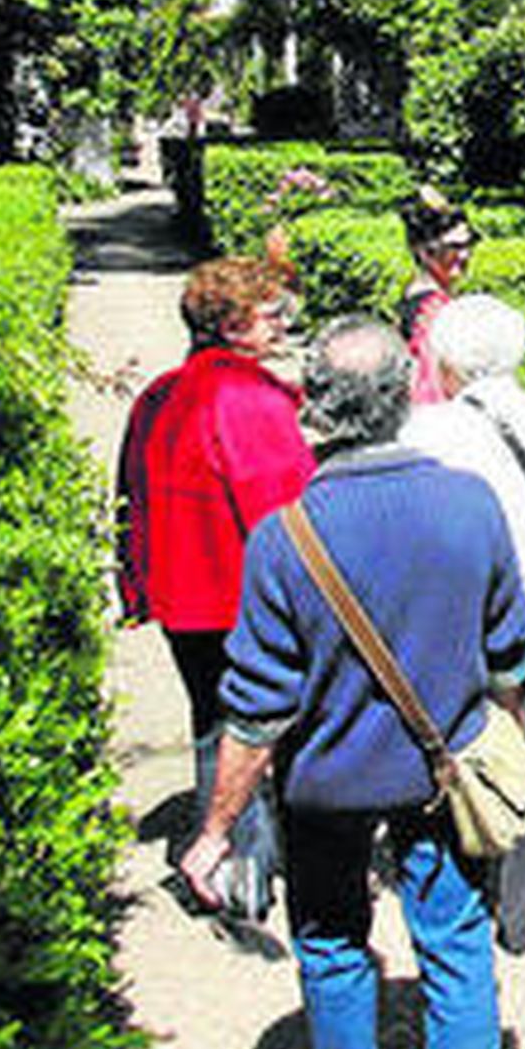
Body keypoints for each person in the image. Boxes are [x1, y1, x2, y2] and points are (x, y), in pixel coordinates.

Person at [180, 316, 525, 1049]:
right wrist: (506, 738)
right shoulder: (470, 503)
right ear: (405, 395)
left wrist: (215, 830)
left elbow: (257, 711)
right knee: (457, 944)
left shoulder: (283, 536)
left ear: (313, 404)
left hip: (325, 786)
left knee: (332, 943)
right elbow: (509, 653)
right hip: (443, 773)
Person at [116, 252, 316, 915]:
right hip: (243, 599)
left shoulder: (159, 394)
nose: (282, 324)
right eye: (270, 314)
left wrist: (135, 588)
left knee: (211, 721)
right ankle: (246, 872)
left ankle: (225, 873)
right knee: (260, 729)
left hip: (180, 599)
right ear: (231, 326)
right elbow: (283, 515)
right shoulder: (251, 401)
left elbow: (130, 497)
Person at [400, 294, 525, 956]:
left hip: (462, 614)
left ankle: (471, 870)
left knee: (460, 740)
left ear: (444, 360)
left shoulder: (424, 431)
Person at [398, 185, 478, 404]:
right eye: (453, 247)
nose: (464, 255)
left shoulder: (417, 292)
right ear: (424, 251)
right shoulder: (433, 311)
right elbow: (429, 386)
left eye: (469, 244)